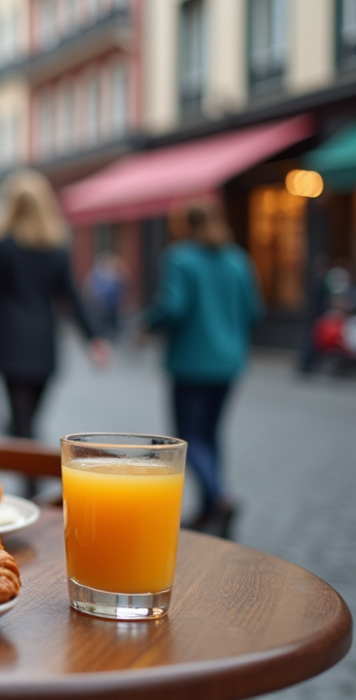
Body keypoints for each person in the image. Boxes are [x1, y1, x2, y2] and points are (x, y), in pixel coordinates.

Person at [143, 199, 263, 539]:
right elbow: (255, 311)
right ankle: (208, 506)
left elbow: (174, 306)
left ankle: (221, 498)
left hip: (191, 362)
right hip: (228, 362)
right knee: (210, 434)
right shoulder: (238, 259)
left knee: (189, 437)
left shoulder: (180, 257)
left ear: (188, 225)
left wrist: (147, 325)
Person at [0, 171, 109, 460]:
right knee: (29, 420)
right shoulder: (57, 249)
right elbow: (72, 297)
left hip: (10, 341)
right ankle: (30, 476)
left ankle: (29, 481)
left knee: (22, 422)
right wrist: (94, 338)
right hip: (43, 342)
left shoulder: (2, 248)